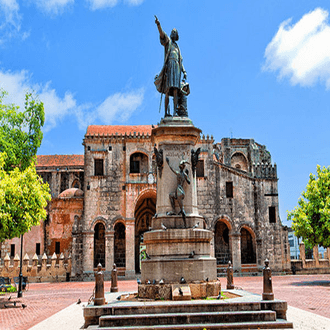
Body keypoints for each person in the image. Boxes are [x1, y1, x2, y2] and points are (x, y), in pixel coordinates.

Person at [154, 16, 187, 117]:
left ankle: (174, 112)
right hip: (170, 67)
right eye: (172, 32)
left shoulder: (177, 47)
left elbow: (180, 60)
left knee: (176, 91)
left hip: (176, 68)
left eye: (174, 33)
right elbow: (162, 34)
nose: (173, 33)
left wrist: (184, 72)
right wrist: (158, 25)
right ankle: (166, 113)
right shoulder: (168, 43)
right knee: (167, 90)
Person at [166, 157, 190, 227]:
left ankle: (185, 224)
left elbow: (172, 169)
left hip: (178, 191)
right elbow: (189, 182)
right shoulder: (184, 174)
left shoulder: (178, 173)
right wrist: (186, 176)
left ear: (180, 167)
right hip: (181, 191)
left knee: (182, 209)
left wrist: (168, 163)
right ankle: (173, 210)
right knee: (171, 195)